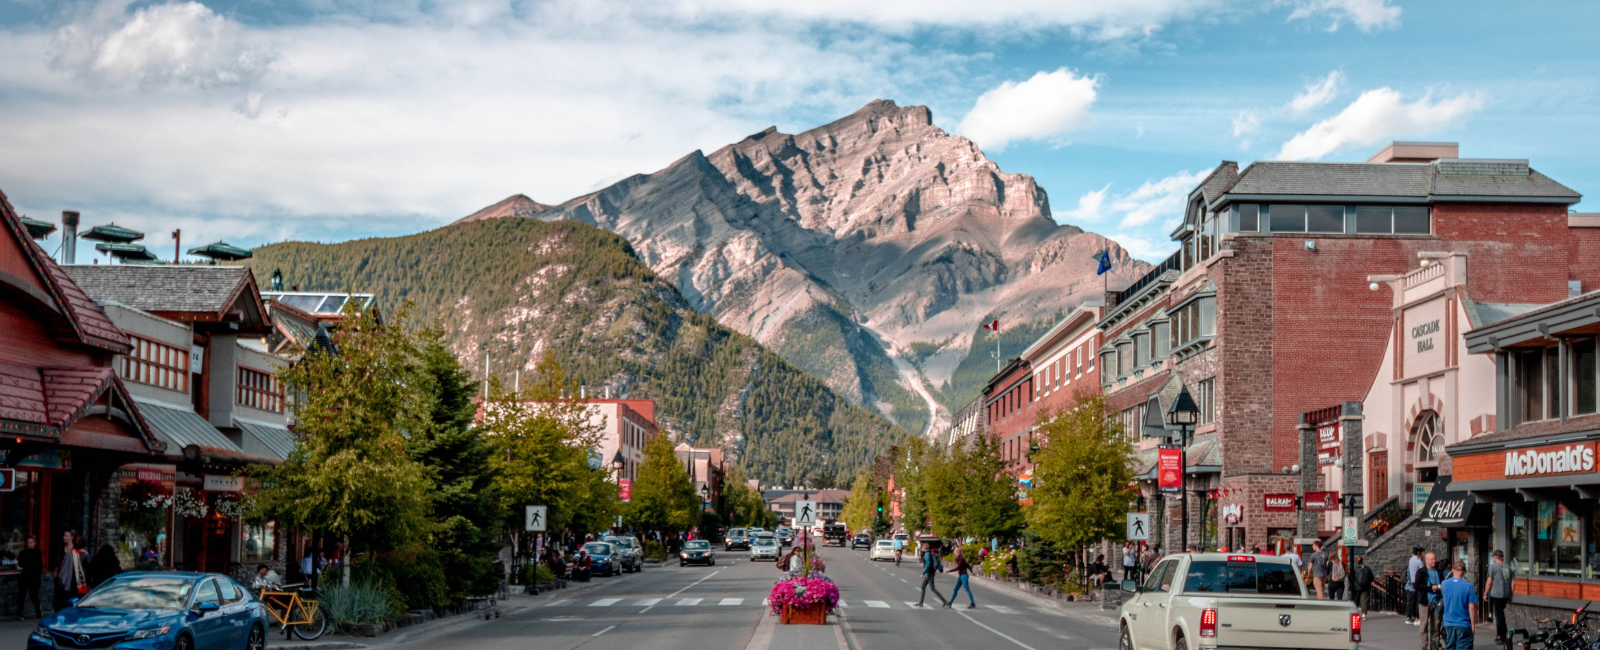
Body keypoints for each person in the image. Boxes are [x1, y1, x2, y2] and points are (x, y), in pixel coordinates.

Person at [1439, 559, 1478, 650]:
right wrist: (1473, 624)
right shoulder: (1468, 587)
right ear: (1464, 572)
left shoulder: (1444, 584)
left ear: (1452, 570)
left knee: (1450, 646)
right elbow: (1472, 607)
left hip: (1449, 622)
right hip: (1463, 623)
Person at [53, 531, 88, 611]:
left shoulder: (73, 553)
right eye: (64, 536)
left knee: (67, 601)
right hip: (77, 582)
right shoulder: (84, 554)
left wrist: (62, 578)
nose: (64, 537)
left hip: (71, 581)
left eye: (66, 536)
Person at [1485, 549, 1514, 644]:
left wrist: (1485, 593)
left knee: (1499, 615)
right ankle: (1499, 635)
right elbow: (1513, 583)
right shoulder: (1508, 567)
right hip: (1505, 594)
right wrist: (1511, 595)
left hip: (1496, 594)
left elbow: (1489, 581)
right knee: (1499, 614)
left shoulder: (1492, 567)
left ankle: (1504, 636)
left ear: (1495, 557)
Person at [1419, 552, 1443, 648]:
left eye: (1435, 559)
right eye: (1432, 559)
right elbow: (1417, 586)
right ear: (1426, 560)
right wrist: (1430, 588)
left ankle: (1435, 645)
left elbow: (1442, 582)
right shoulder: (1421, 572)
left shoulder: (1438, 571)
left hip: (1436, 601)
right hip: (1425, 601)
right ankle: (1424, 645)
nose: (1434, 561)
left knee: (1436, 625)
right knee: (1424, 624)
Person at [17, 536, 42, 620]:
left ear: (34, 543)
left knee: (33, 595)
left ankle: (39, 612)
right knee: (21, 595)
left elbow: (38, 565)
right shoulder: (22, 552)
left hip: (34, 577)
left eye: (31, 542)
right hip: (25, 576)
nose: (29, 544)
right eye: (28, 542)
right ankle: (19, 614)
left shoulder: (37, 552)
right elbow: (21, 563)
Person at [914, 543, 946, 607]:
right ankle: (921, 602)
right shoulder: (930, 553)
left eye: (922, 548)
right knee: (924, 587)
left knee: (932, 589)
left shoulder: (927, 554)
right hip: (931, 572)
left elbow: (928, 564)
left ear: (924, 549)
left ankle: (945, 601)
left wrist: (923, 573)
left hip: (929, 573)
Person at [1405, 546, 1425, 624]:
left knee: (1411, 600)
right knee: (1418, 600)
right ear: (1418, 553)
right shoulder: (1418, 561)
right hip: (1418, 582)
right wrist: (1422, 560)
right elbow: (1424, 570)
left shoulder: (1411, 560)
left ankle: (1410, 616)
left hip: (1412, 583)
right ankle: (1417, 617)